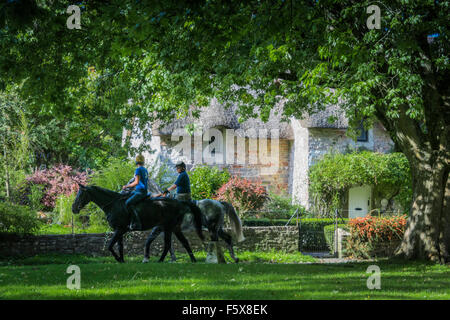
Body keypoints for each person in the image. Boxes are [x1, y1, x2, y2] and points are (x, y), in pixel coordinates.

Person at [122, 154, 149, 230]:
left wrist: (126, 186)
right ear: (143, 162)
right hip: (143, 191)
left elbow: (136, 182)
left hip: (140, 192)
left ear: (136, 162)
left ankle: (136, 223)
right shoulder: (145, 170)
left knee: (128, 203)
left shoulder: (138, 170)